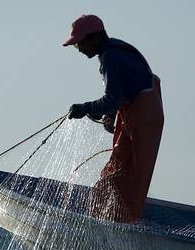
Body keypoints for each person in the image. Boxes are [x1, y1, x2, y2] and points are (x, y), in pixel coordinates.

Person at [62, 14, 164, 223]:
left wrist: (85, 108)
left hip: (143, 121)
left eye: (79, 43)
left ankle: (117, 224)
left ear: (94, 37)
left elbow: (113, 99)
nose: (80, 49)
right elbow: (124, 92)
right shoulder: (117, 50)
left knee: (124, 177)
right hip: (143, 117)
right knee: (121, 174)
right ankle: (117, 219)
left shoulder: (111, 57)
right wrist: (110, 114)